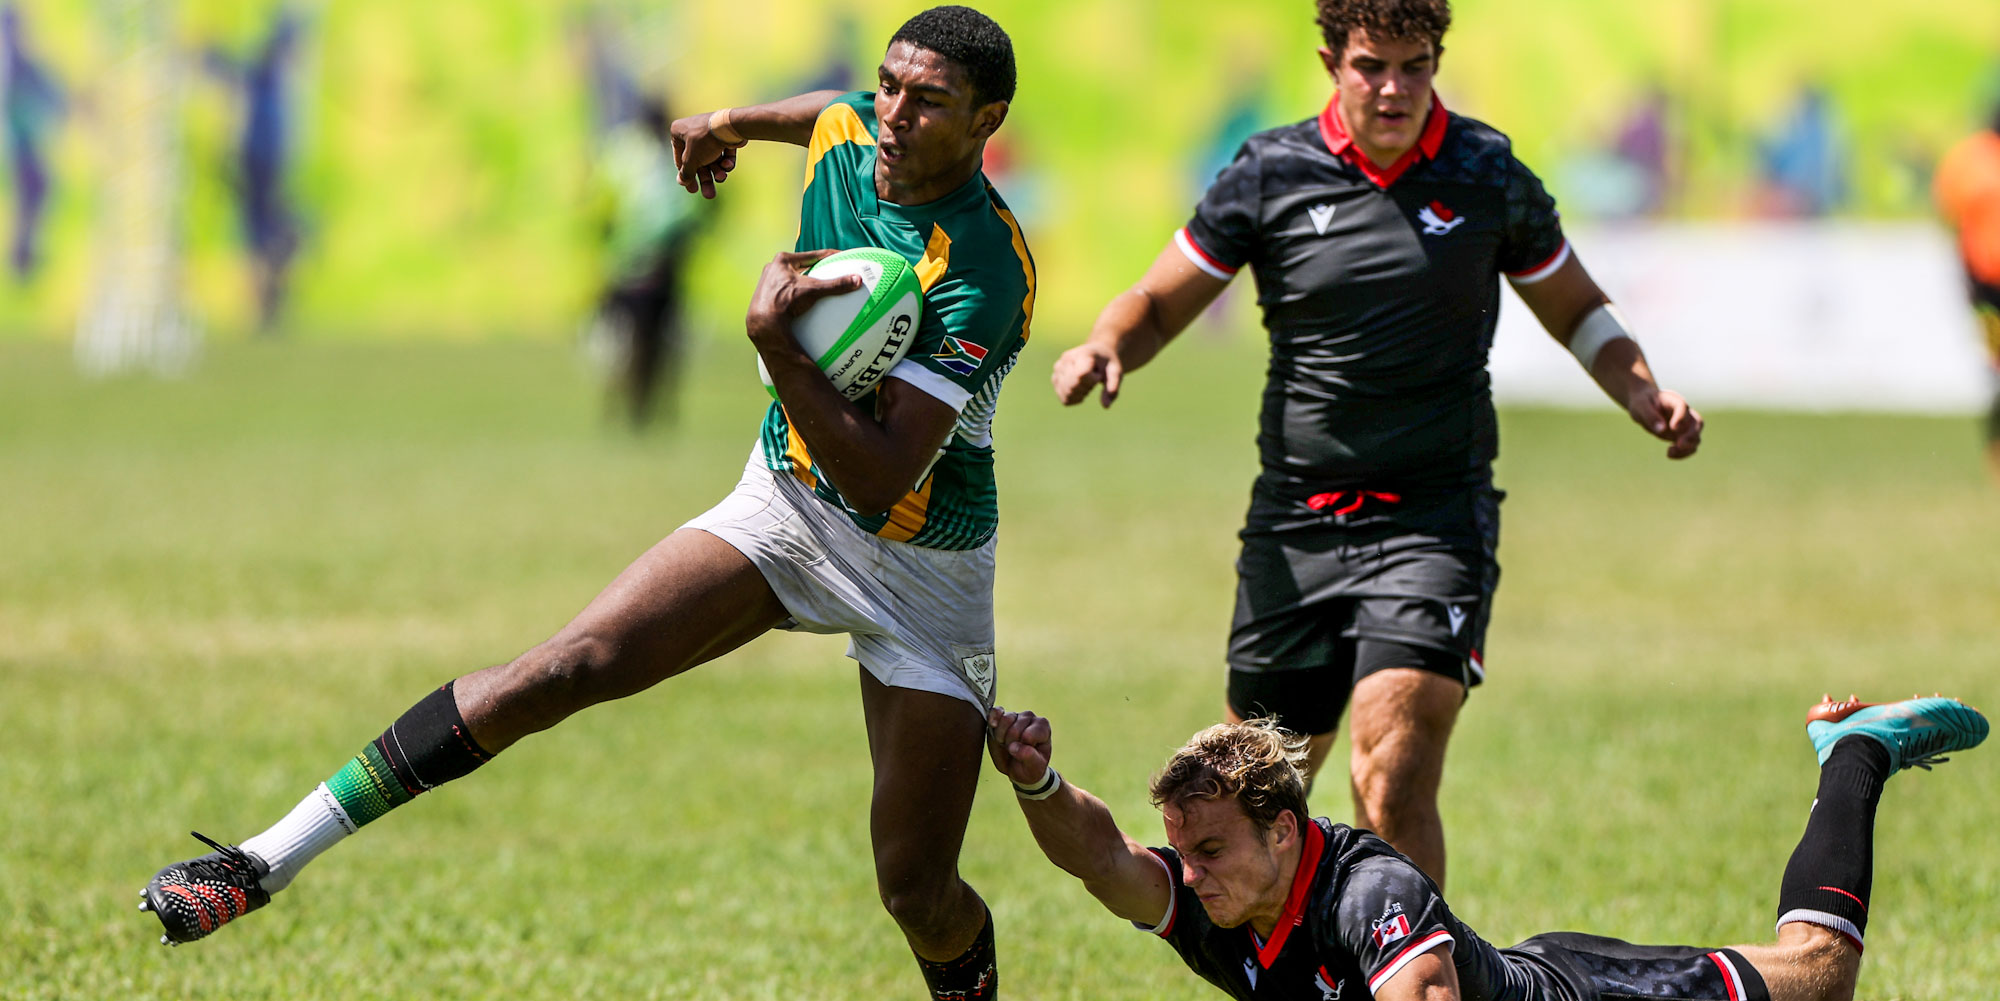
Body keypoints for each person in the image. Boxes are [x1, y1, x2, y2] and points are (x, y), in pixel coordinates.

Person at [140, 9, 1033, 999]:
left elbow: (880, 477)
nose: (895, 116)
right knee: (560, 666)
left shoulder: (986, 271)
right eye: (891, 87)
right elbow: (829, 110)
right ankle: (261, 861)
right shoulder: (855, 128)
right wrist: (730, 121)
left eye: (929, 102)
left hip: (924, 566)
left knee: (916, 890)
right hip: (786, 505)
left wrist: (774, 342)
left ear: (985, 118)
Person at [1049, 0, 1703, 888]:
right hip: (1296, 524)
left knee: (1390, 766)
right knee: (1251, 795)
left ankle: (1407, 976)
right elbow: (1161, 299)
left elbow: (1577, 307)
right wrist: (1106, 344)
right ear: (1332, 62)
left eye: (1415, 65)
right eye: (1371, 66)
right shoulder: (1271, 172)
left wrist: (1640, 388)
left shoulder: (1485, 172)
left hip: (1433, 520)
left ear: (1437, 62)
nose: (1394, 87)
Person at [985, 694, 1987, 1001]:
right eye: (1183, 852)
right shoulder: (1221, 906)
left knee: (1819, 975)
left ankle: (1854, 749)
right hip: (1531, 962)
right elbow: (1102, 858)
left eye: (1206, 848)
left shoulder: (1364, 888)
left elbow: (1420, 988)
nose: (1186, 873)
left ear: (1283, 829)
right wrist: (1033, 775)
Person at [589, 96, 709, 428]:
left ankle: (640, 410)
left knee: (649, 343)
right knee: (637, 343)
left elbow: (600, 210)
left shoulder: (623, 156)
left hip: (644, 266)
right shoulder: (642, 158)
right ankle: (630, 408)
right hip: (642, 266)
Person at [1933, 103, 2000, 478]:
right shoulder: (1971, 159)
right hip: (1987, 288)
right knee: (1998, 368)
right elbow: (1949, 214)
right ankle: (1996, 450)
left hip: (1982, 284)